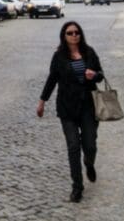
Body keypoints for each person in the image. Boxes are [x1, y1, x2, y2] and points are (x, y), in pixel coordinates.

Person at [36, 20, 104, 202]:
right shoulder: (59, 56)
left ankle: (89, 163)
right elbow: (52, 79)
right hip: (67, 108)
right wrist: (42, 101)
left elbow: (100, 74)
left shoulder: (89, 52)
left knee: (90, 145)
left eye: (76, 32)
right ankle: (77, 187)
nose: (74, 36)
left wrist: (94, 75)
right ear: (64, 36)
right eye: (70, 33)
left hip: (88, 107)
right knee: (73, 146)